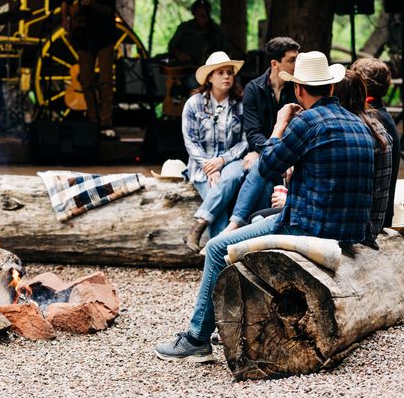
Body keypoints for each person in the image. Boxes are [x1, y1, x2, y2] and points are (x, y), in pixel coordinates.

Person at [155, 51, 374, 364]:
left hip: (308, 229)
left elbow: (266, 168)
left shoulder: (307, 122)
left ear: (298, 90)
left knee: (217, 247)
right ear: (330, 87)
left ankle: (195, 340)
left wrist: (279, 125)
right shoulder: (357, 124)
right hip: (349, 232)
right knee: (258, 219)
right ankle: (225, 322)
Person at [221, 36, 300, 234]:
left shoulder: (298, 88)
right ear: (275, 64)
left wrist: (286, 158)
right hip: (267, 155)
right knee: (263, 182)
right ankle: (253, 237)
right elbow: (253, 132)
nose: (296, 65)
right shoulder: (253, 89)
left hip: (287, 158)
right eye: (291, 60)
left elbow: (299, 128)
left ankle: (235, 228)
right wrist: (271, 153)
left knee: (260, 170)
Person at [182, 51, 247, 252]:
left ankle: (199, 225)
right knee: (218, 200)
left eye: (229, 72)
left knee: (232, 176)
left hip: (231, 162)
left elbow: (245, 142)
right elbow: (190, 141)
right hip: (202, 167)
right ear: (210, 77)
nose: (227, 76)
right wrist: (210, 167)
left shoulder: (240, 105)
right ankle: (220, 256)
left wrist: (221, 161)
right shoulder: (194, 104)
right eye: (220, 72)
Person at [61, 0, 117, 138]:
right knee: (85, 80)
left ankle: (106, 121)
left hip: (104, 37)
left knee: (105, 80)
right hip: (84, 38)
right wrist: (66, 19)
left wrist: (91, 4)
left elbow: (109, 9)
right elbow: (66, 1)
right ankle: (93, 120)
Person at [335, 69, 392, 242]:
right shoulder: (375, 125)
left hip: (359, 231)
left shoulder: (352, 133)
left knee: (260, 216)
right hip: (374, 223)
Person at [351, 57, 401, 228]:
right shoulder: (380, 114)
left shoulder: (372, 121)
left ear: (360, 83)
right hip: (378, 215)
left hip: (370, 221)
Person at [167, 0, 232, 68]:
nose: (206, 19)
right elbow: (172, 47)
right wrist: (179, 54)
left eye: (208, 16)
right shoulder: (184, 28)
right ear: (194, 15)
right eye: (202, 16)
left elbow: (227, 51)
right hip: (186, 68)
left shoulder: (216, 30)